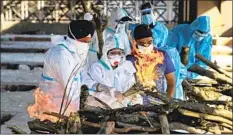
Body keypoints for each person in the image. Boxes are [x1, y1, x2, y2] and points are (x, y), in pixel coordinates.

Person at [39, 20, 95, 114]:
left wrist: (97, 87)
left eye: (88, 42)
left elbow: (82, 76)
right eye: (83, 41)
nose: (86, 45)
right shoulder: (61, 55)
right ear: (73, 38)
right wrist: (84, 110)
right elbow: (70, 88)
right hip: (55, 107)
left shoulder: (76, 53)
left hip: (68, 105)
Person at [83, 34, 142, 109]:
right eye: (113, 53)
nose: (117, 56)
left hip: (124, 107)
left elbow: (132, 87)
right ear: (106, 52)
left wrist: (133, 99)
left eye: (119, 53)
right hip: (102, 107)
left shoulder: (127, 67)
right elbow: (95, 89)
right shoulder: (97, 67)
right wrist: (112, 93)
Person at [127, 24, 176, 98]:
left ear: (153, 40)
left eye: (149, 42)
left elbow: (171, 82)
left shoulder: (162, 55)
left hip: (159, 103)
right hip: (137, 104)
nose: (146, 46)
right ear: (135, 42)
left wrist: (169, 102)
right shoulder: (130, 60)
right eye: (141, 43)